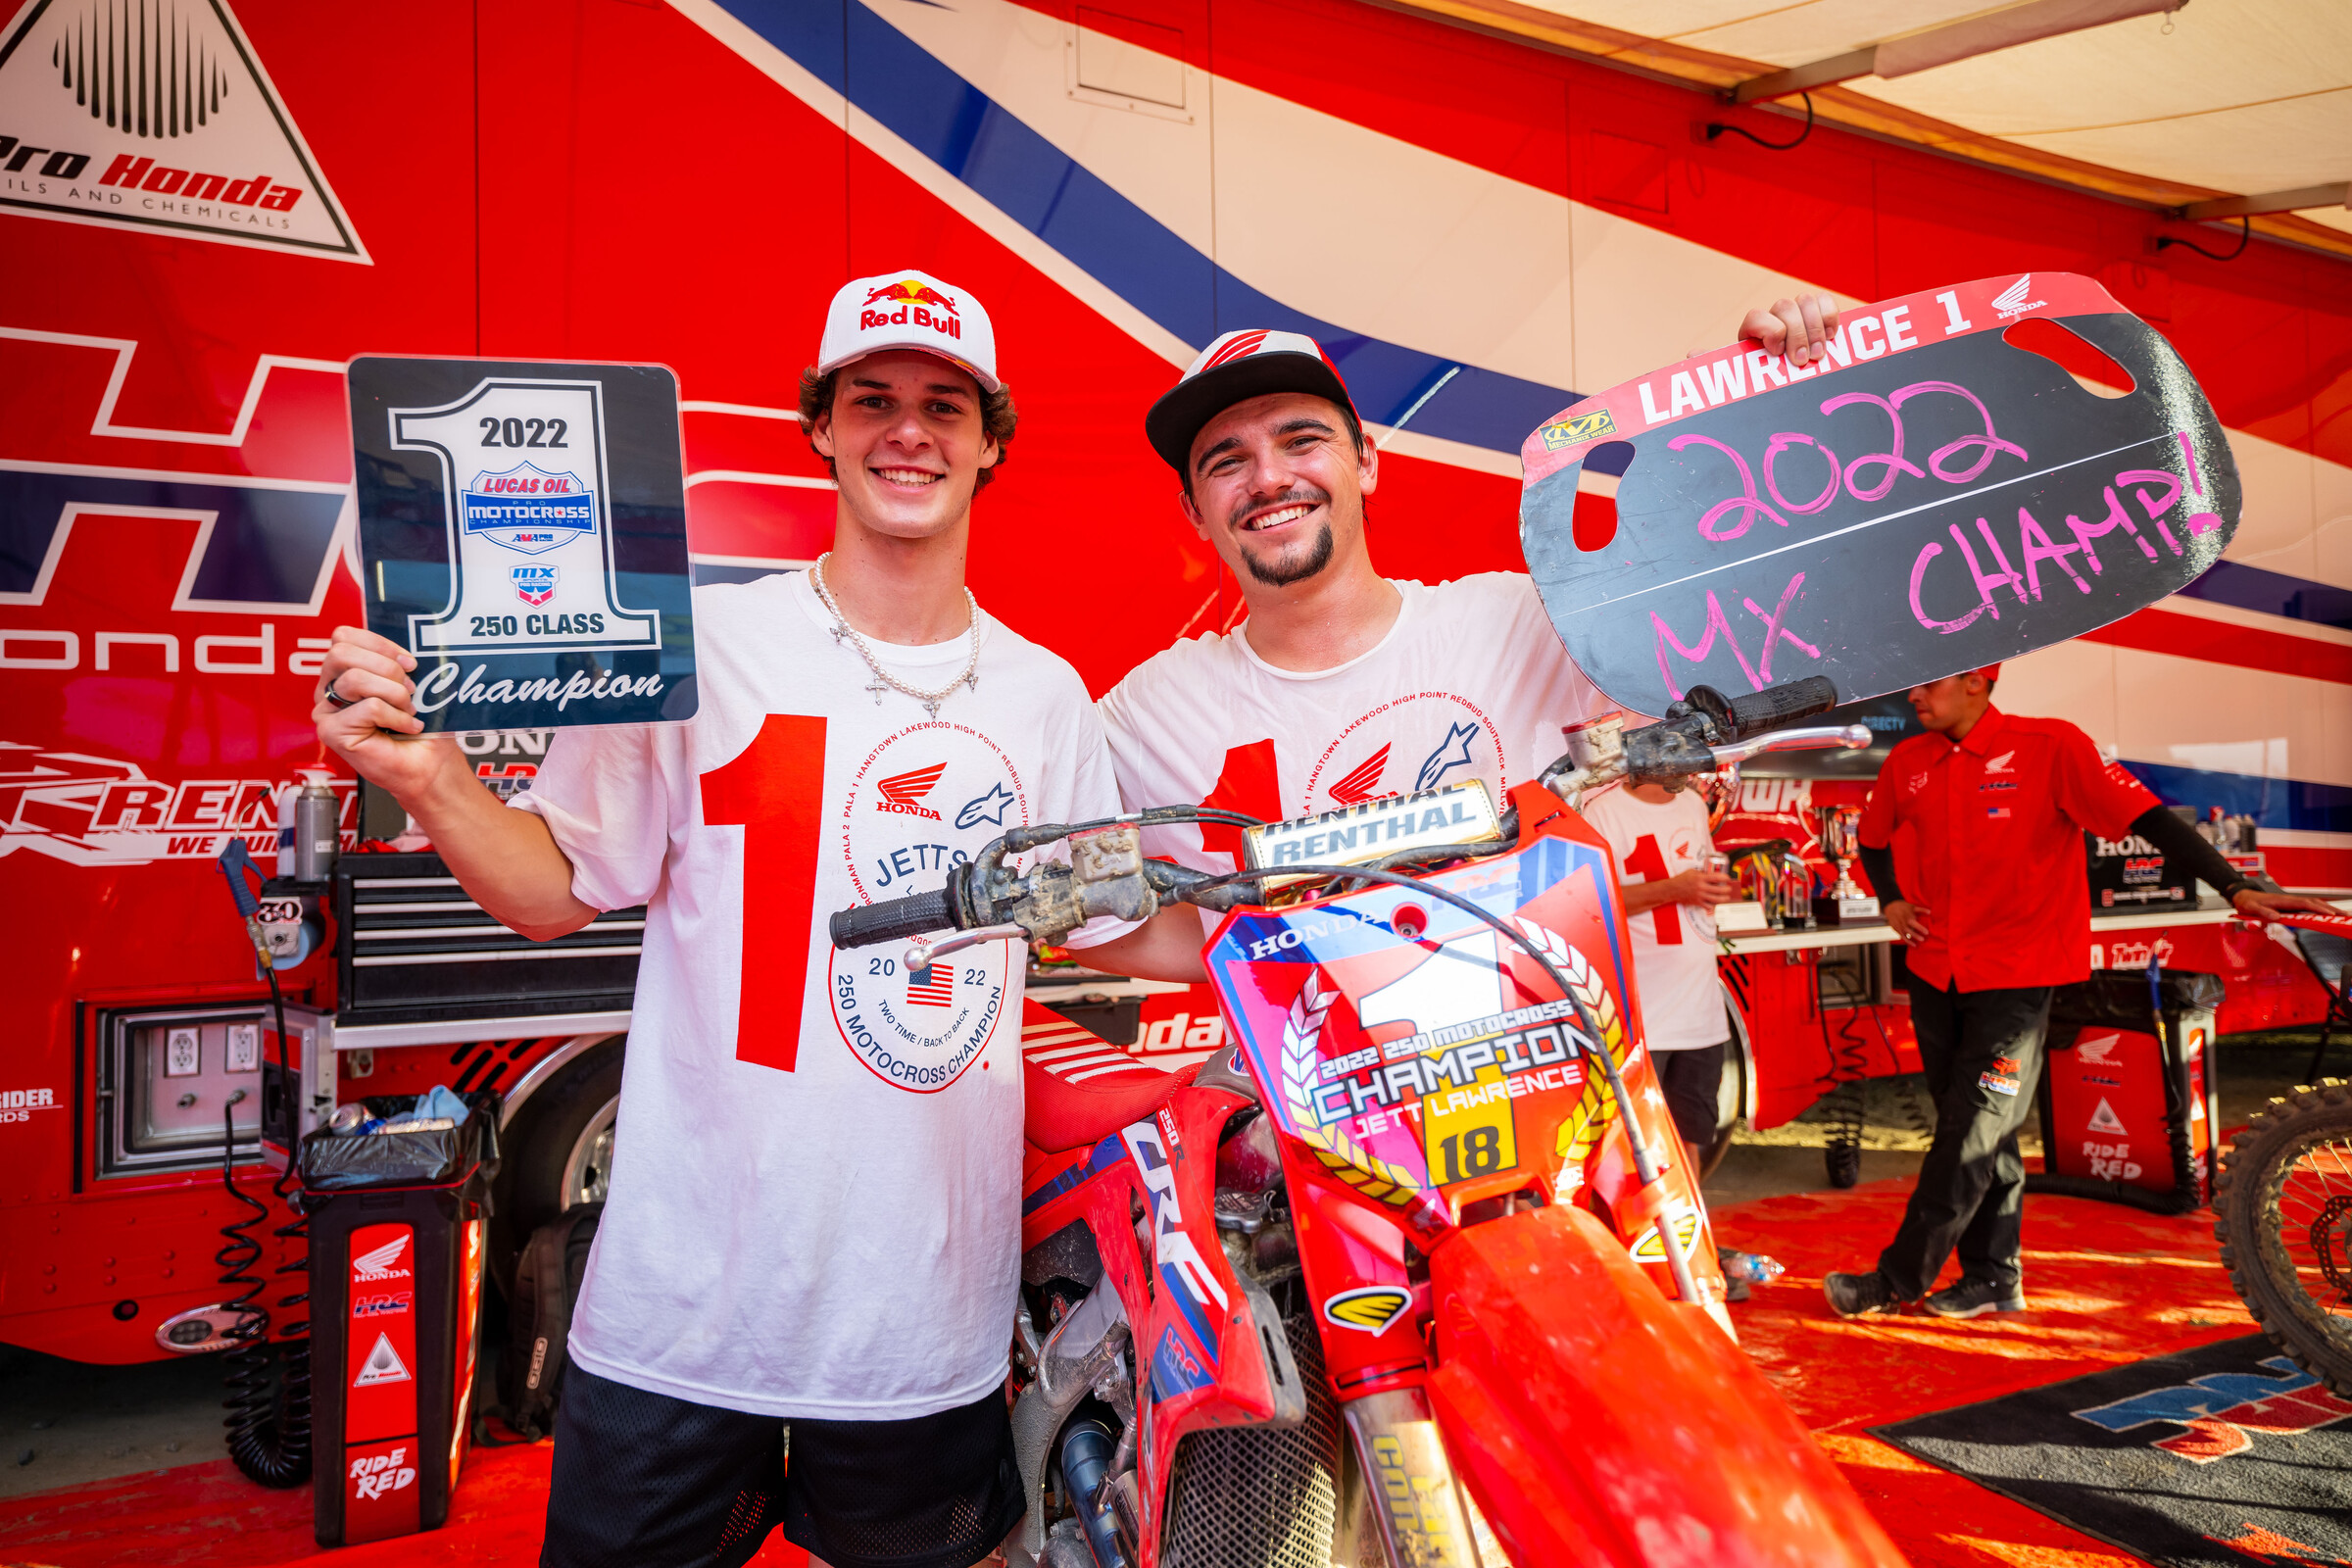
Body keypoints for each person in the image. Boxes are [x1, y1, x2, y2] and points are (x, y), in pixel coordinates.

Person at [313, 270, 1138, 1568]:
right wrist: (430, 777)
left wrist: (1324, 916)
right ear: (819, 427)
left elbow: (1117, 922)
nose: (907, 432)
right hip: (683, 1311)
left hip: (920, 1323)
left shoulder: (1045, 695)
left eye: (944, 406)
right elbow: (552, 890)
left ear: (992, 443)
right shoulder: (701, 642)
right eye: (871, 400)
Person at [1088, 297, 1842, 986]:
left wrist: (1766, 420)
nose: (1268, 478)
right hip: (1306, 1091)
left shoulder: (1522, 623)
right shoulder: (1147, 714)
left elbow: (1759, 625)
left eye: (1301, 440)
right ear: (1195, 512)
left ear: (1367, 461)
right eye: (1227, 462)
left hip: (1558, 1076)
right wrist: (1264, 957)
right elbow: (1080, 915)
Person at [1824, 667, 2335, 1320]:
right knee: (1980, 1129)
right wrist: (1891, 899)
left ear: (1979, 680)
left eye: (1931, 683)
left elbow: (2150, 820)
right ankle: (1993, 1278)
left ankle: (1896, 1281)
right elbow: (1872, 842)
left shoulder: (2052, 745)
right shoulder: (1908, 760)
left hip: (2018, 977)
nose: (1913, 694)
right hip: (1935, 971)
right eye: (1914, 684)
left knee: (1972, 1128)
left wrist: (2234, 886)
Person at [1579, 777, 1740, 1172]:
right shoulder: (1602, 811)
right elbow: (1589, 901)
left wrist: (1720, 891)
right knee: (1626, 1153)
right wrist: (1674, 889)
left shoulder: (1693, 804)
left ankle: (1688, 1217)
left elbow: (1702, 885)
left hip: (1701, 1018)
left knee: (1689, 1144)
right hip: (1642, 1021)